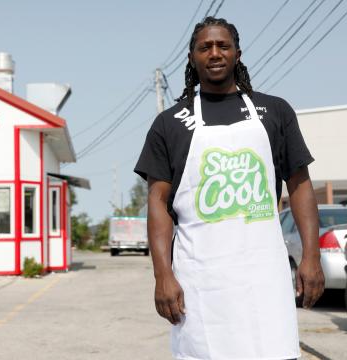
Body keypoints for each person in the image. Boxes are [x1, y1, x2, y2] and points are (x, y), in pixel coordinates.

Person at [134, 17, 325, 359]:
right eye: (205, 47)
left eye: (223, 45)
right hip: (201, 281)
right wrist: (162, 274)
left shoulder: (274, 112)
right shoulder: (170, 123)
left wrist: (311, 256)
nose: (215, 53)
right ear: (192, 58)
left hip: (264, 277)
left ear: (238, 54)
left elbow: (300, 186)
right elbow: (157, 202)